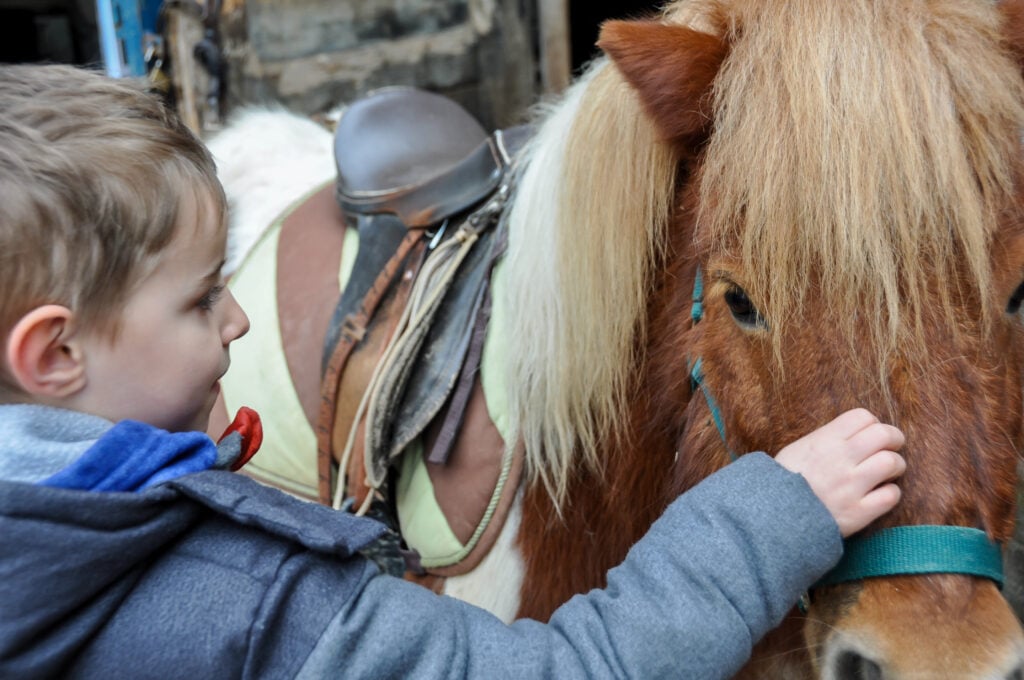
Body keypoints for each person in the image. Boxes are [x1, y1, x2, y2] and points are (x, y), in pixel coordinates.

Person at [0, 64, 906, 679]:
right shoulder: (251, 601)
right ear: (54, 354)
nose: (238, 311)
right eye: (203, 299)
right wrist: (770, 520)